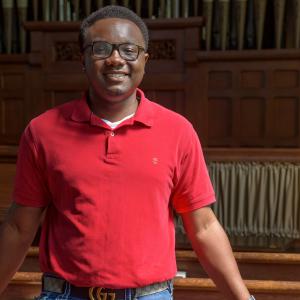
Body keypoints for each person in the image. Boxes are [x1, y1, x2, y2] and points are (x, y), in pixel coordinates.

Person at [0, 5, 255, 300]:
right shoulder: (42, 131)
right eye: (101, 49)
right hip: (66, 294)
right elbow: (19, 228)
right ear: (83, 58)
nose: (115, 59)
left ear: (145, 60)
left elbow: (205, 227)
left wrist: (244, 299)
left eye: (128, 50)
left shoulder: (178, 131)